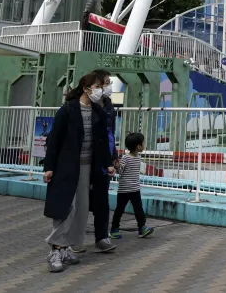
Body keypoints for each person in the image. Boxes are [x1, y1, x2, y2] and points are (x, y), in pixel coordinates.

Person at [42, 71, 117, 273]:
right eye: (98, 86)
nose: (102, 90)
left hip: (87, 167)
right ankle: (55, 250)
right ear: (86, 89)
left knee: (82, 209)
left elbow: (101, 142)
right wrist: (49, 167)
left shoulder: (98, 111)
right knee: (67, 207)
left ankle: (66, 247)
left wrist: (108, 163)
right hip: (66, 166)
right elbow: (54, 140)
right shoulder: (68, 110)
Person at [89, 70, 117, 251]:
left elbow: (111, 134)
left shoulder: (108, 104)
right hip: (87, 159)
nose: (107, 87)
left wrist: (113, 156)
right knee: (81, 200)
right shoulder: (82, 106)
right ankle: (73, 239)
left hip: (104, 160)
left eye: (108, 83)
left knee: (102, 200)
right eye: (105, 83)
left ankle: (102, 237)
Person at [110, 132, 155, 240]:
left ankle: (142, 228)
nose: (144, 145)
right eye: (143, 143)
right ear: (138, 146)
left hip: (135, 189)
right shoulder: (126, 158)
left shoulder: (138, 157)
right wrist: (117, 166)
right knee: (119, 210)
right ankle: (114, 229)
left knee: (138, 209)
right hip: (124, 190)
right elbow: (121, 171)